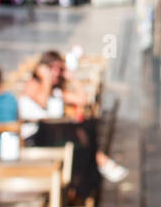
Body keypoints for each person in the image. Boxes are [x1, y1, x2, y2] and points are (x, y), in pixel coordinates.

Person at [37, 50, 128, 183]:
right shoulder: (34, 86)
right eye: (52, 68)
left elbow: (83, 100)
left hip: (53, 133)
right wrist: (45, 79)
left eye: (59, 69)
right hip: (38, 136)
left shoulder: (56, 91)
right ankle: (100, 163)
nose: (55, 73)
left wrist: (72, 77)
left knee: (86, 131)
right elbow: (43, 102)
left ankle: (92, 170)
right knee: (82, 138)